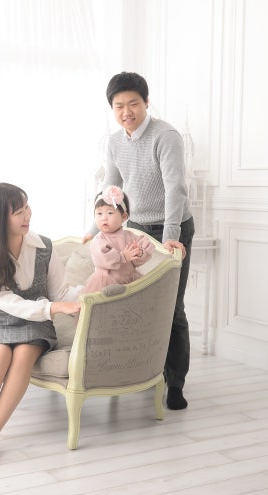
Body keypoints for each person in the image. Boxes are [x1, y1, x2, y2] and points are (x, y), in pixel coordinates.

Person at [84, 71, 194, 410]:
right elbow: (111, 189)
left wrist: (171, 237)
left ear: (146, 102)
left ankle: (175, 384)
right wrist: (93, 229)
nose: (126, 111)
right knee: (138, 304)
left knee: (171, 307)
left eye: (133, 103)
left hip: (171, 229)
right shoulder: (115, 142)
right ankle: (146, 373)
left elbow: (175, 189)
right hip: (134, 230)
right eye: (119, 106)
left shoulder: (166, 136)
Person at [0, 182, 81, 471]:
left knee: (24, 355)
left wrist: (90, 293)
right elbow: (6, 301)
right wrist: (52, 308)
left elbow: (61, 292)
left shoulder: (44, 247)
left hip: (34, 323)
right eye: (18, 212)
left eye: (27, 207)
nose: (27, 215)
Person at [83, 184, 155, 294]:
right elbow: (102, 258)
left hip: (129, 281)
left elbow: (146, 246)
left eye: (110, 213)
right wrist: (122, 257)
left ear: (124, 217)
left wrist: (139, 252)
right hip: (106, 283)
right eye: (99, 213)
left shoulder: (129, 236)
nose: (104, 218)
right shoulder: (99, 240)